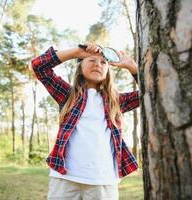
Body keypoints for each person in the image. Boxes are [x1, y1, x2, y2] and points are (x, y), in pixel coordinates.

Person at [31, 43, 140, 200]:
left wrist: (132, 66)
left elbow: (151, 91)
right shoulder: (68, 95)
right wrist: (76, 51)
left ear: (108, 70)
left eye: (103, 62)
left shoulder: (116, 101)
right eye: (91, 60)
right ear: (80, 67)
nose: (98, 64)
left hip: (103, 179)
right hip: (64, 177)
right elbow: (39, 66)